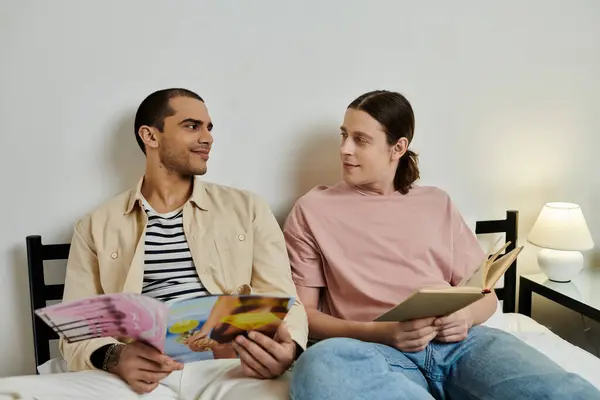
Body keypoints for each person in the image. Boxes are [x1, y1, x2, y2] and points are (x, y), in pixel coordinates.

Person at [283, 90, 600, 400]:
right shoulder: (313, 209)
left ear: (398, 147)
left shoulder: (436, 203)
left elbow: (485, 296)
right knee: (318, 367)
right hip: (371, 349)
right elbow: (304, 314)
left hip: (462, 346)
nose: (345, 149)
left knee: (563, 389)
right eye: (344, 135)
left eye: (360, 140)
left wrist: (465, 317)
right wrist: (384, 332)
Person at [0, 88, 307, 400]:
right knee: (8, 391)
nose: (208, 138)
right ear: (150, 136)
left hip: (230, 369)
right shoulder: (96, 226)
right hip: (139, 376)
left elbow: (287, 303)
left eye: (209, 128)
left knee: (294, 392)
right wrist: (114, 358)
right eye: (192, 126)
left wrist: (289, 349)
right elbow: (77, 333)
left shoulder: (248, 208)